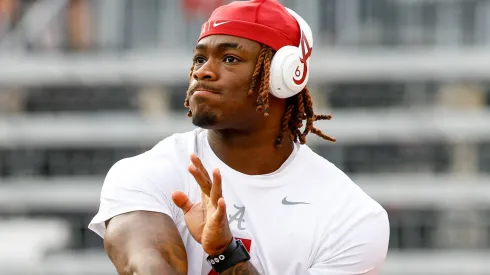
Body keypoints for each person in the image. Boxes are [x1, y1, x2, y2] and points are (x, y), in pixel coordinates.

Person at [88, 0, 390, 274]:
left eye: (230, 58)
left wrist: (225, 252)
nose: (203, 72)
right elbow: (147, 263)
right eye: (199, 58)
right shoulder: (146, 172)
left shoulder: (352, 216)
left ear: (284, 78)